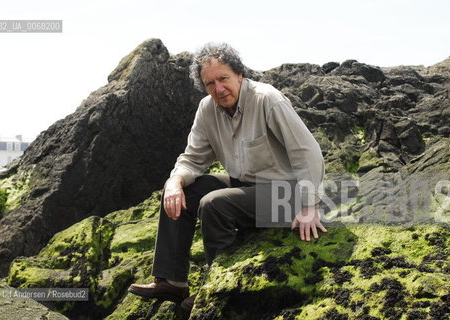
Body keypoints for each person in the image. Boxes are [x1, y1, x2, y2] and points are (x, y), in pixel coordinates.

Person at [128, 43, 326, 312]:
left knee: (214, 204)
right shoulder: (207, 109)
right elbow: (193, 159)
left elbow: (307, 151)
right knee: (182, 189)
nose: (218, 89)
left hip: (285, 194)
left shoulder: (267, 99)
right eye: (210, 83)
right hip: (247, 188)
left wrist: (310, 205)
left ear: (240, 75)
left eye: (223, 79)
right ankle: (172, 281)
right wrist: (174, 182)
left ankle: (217, 286)